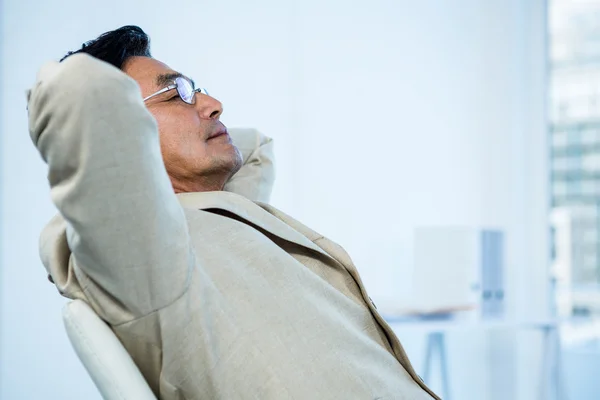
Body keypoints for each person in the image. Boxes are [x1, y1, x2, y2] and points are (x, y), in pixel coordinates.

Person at [28, 25, 438, 400]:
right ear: (124, 131)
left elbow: (256, 150)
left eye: (198, 90)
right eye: (175, 95)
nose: (214, 104)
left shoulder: (222, 215)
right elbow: (79, 92)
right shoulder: (145, 258)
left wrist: (180, 126)